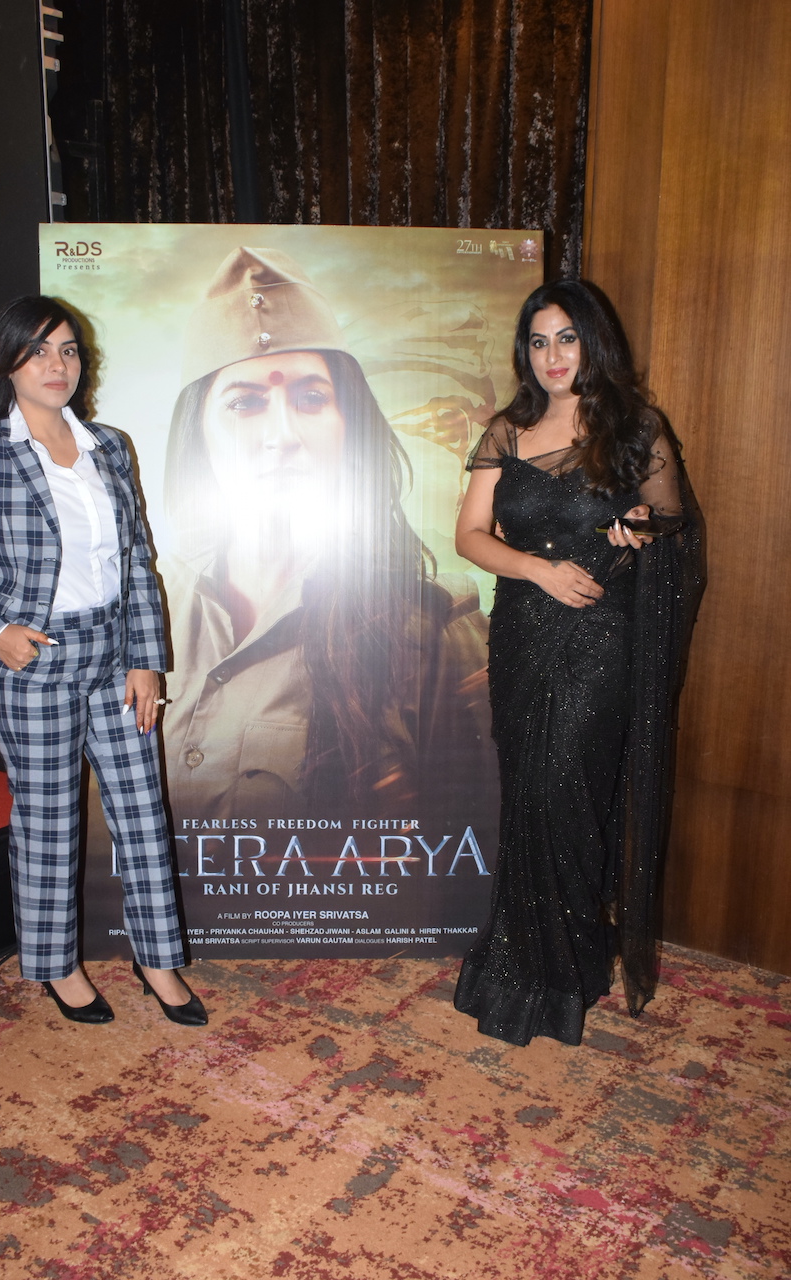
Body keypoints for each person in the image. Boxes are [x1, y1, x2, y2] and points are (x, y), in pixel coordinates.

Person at [0, 297, 207, 1026]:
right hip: (35, 663)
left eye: (68, 350)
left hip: (115, 657)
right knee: (49, 822)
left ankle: (158, 959)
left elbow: (137, 560)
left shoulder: (109, 446)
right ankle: (58, 966)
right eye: (37, 351)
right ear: (7, 362)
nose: (56, 365)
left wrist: (146, 659)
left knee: (142, 812)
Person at [162, 246, 498, 824]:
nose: (283, 435)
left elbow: (469, 851)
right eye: (245, 403)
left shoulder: (434, 624)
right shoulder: (140, 605)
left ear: (350, 424)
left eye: (311, 397)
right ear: (199, 433)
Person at [452, 280, 703, 1047]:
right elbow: (469, 535)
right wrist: (536, 569)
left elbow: (673, 525)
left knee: (569, 793)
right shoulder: (508, 429)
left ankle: (562, 975)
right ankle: (520, 962)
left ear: (593, 341)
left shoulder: (635, 428)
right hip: (522, 635)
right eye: (539, 341)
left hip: (600, 640)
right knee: (527, 796)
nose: (553, 355)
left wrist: (639, 529)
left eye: (566, 338)